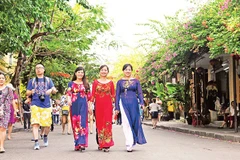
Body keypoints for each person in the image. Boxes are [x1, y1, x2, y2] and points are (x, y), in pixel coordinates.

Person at [115, 64, 147, 152]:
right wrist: (116, 107)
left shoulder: (136, 81)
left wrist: (141, 102)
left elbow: (140, 93)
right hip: (123, 103)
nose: (127, 71)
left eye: (129, 69)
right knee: (126, 122)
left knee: (135, 122)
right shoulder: (119, 82)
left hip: (134, 103)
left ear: (131, 70)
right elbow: (117, 95)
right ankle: (129, 143)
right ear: (123, 71)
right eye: (126, 69)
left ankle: (133, 139)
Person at [26, 63, 57, 150]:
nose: (38, 69)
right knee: (35, 124)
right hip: (35, 104)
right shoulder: (32, 81)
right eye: (37, 68)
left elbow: (54, 90)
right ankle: (36, 142)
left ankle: (45, 135)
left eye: (40, 68)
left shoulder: (48, 80)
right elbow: (27, 93)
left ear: (43, 70)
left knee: (47, 125)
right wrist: (31, 92)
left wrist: (50, 90)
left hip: (46, 105)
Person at [91, 65, 115, 152]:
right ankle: (100, 143)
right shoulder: (95, 82)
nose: (104, 71)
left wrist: (115, 108)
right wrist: (90, 106)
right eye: (102, 70)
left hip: (108, 106)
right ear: (99, 71)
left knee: (108, 123)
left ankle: (107, 144)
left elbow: (113, 95)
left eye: (105, 70)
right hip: (98, 106)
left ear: (107, 72)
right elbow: (93, 95)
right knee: (100, 124)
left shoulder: (111, 83)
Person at [67, 66, 91, 151]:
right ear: (75, 73)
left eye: (82, 72)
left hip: (83, 104)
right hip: (74, 105)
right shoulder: (71, 83)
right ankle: (77, 143)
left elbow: (89, 97)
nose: (80, 74)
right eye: (79, 72)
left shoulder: (86, 84)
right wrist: (69, 100)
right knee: (75, 123)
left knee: (83, 123)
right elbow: (69, 93)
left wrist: (90, 107)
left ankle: (82, 143)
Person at [0, 73, 15, 153]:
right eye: (0, 78)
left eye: (3, 78)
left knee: (2, 128)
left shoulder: (8, 89)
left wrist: (15, 110)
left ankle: (1, 146)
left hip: (5, 111)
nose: (1, 79)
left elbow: (12, 100)